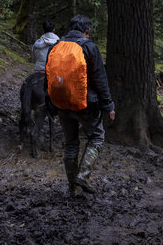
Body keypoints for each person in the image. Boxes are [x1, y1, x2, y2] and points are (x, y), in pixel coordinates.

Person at [45, 15, 115, 196]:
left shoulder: (56, 47)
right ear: (87, 31)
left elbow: (49, 79)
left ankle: (71, 187)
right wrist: (108, 106)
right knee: (97, 137)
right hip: (86, 105)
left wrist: (52, 107)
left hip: (61, 104)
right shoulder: (89, 47)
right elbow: (100, 79)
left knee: (70, 142)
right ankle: (83, 176)